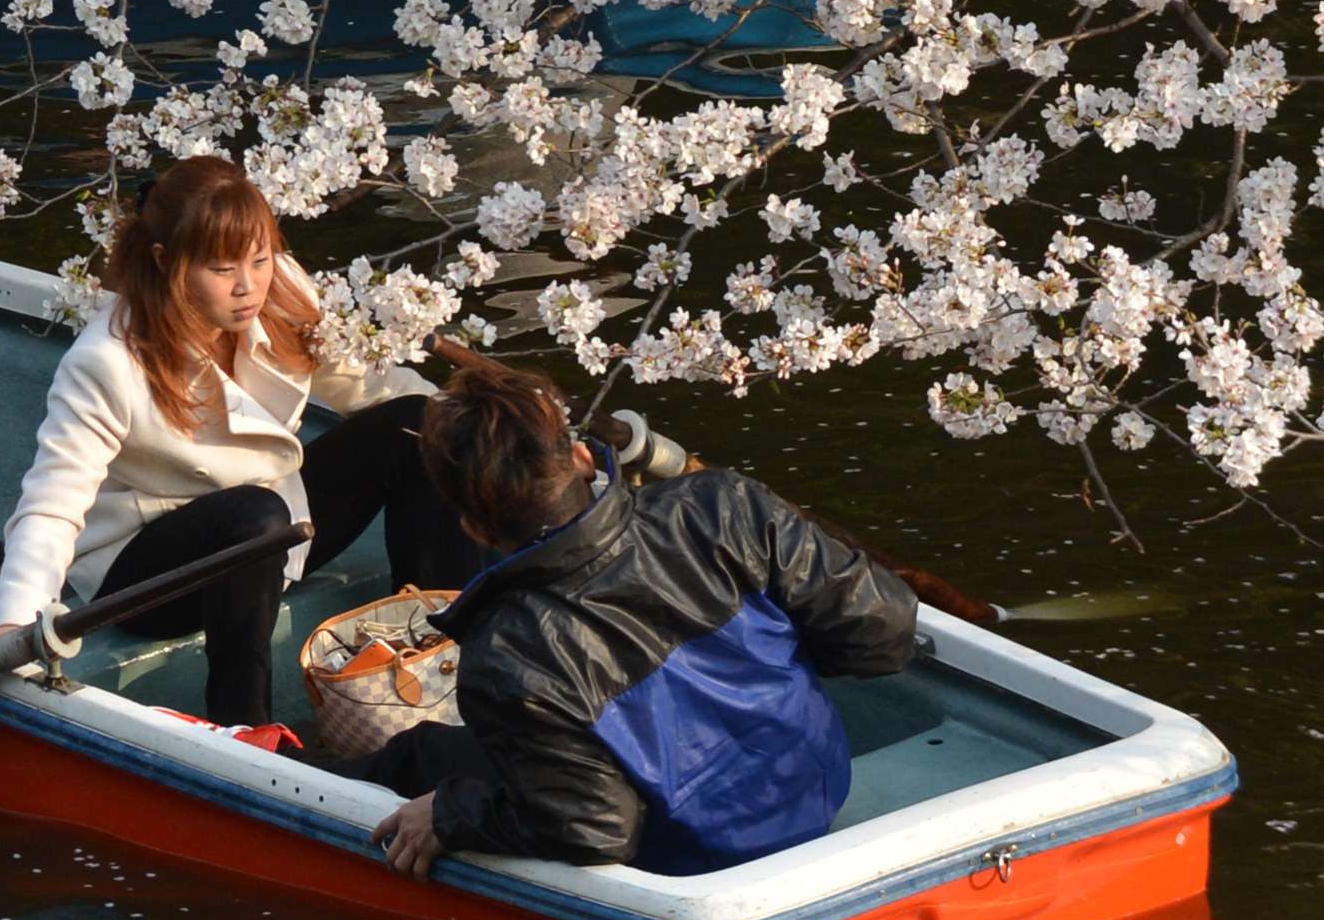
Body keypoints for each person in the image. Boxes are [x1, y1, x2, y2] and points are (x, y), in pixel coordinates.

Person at [0, 155, 477, 729]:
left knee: (421, 422)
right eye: (223, 268)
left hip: (276, 527)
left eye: (260, 259)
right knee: (256, 518)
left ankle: (441, 651)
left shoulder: (278, 292)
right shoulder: (106, 361)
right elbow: (53, 502)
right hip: (151, 568)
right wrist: (16, 621)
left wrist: (497, 433)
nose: (248, 285)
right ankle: (245, 727)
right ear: (167, 262)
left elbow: (367, 384)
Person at [363, 348, 921, 876]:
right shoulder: (721, 505)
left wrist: (450, 814)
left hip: (697, 854)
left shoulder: (505, 657)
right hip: (813, 787)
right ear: (582, 460)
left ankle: (300, 770)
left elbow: (595, 830)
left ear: (474, 527)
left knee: (418, 755)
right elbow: (884, 628)